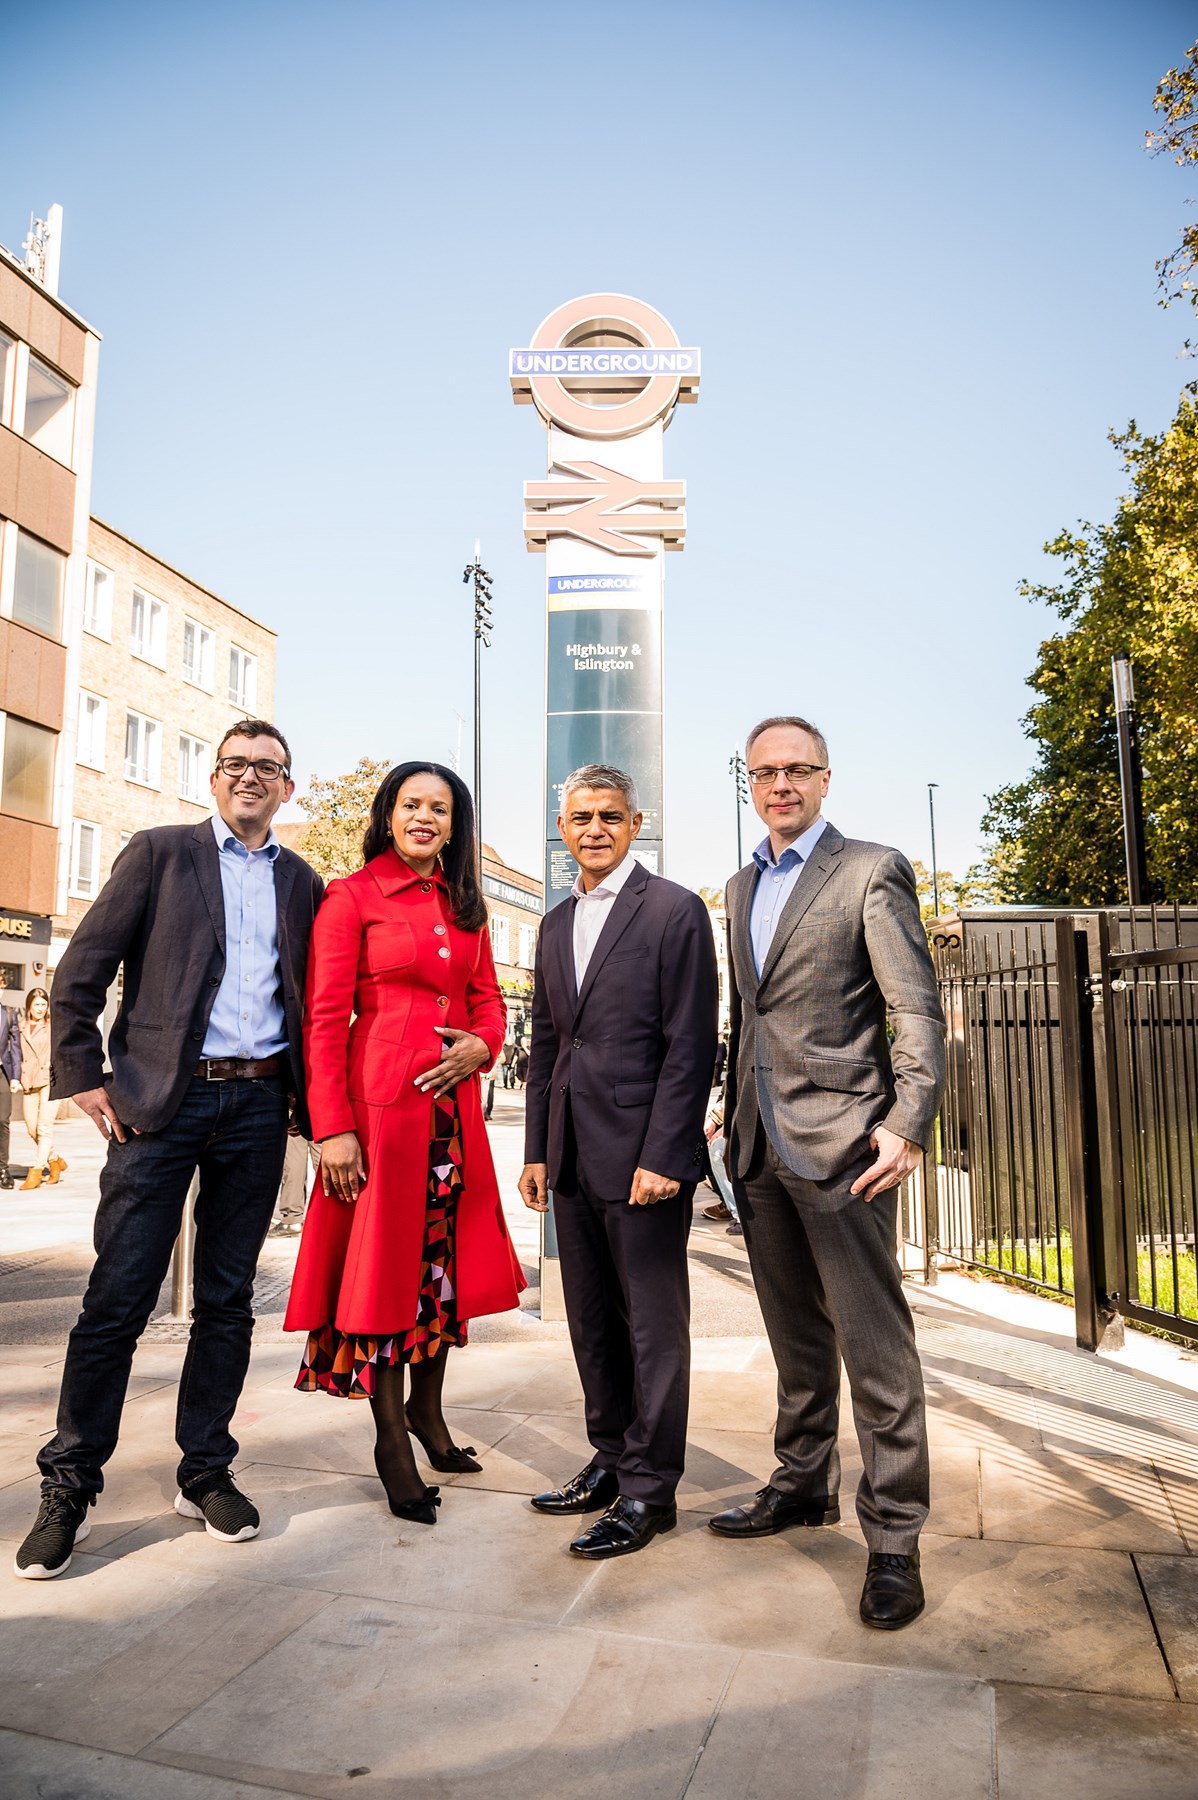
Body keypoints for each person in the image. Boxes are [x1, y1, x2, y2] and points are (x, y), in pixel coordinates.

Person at [13, 720, 323, 1581]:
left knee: (227, 1301)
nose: (250, 777)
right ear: (214, 780)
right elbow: (81, 971)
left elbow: (317, 1001)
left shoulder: (302, 882)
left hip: (259, 1107)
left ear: (287, 787)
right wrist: (81, 1074)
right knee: (118, 1299)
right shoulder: (159, 852)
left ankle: (205, 1470)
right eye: (236, 765)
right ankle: (69, 1484)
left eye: (268, 768)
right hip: (159, 1104)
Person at [711, 715, 945, 1631]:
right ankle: (803, 1482)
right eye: (764, 772)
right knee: (796, 1342)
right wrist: (729, 1111)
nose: (779, 785)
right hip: (758, 1148)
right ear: (750, 782)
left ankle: (893, 1540)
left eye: (796, 770)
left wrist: (909, 1121)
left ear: (825, 778)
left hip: (847, 1145)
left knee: (876, 1351)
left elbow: (913, 1008)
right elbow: (750, 1014)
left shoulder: (868, 869)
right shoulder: (738, 884)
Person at [285, 761, 525, 1526]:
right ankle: (391, 1438)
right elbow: (323, 1020)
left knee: (440, 1270)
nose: (426, 818)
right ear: (389, 814)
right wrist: (333, 1128)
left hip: (452, 1117)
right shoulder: (348, 897)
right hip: (378, 1116)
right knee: (386, 1273)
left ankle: (429, 1414)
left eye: (441, 809)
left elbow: (489, 1005)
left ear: (456, 825)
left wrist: (482, 1048)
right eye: (412, 805)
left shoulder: (467, 906)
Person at [519, 763, 718, 1559]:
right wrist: (536, 1149)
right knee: (593, 1323)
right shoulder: (553, 922)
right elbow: (543, 1045)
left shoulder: (674, 913)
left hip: (644, 1160)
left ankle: (649, 1489)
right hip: (570, 1155)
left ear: (637, 824)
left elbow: (689, 1044)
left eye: (610, 815)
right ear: (562, 829)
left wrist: (667, 1152)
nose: (594, 828)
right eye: (580, 817)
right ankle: (610, 1455)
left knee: (652, 1329)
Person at [17, 988, 63, 1190]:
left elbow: (61, 1051)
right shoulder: (20, 1027)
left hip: (49, 1081)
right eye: (36, 1004)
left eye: (43, 1005)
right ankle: (56, 1161)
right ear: (29, 1005)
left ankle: (36, 1172)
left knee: (44, 1128)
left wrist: (51, 1064)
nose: (40, 1008)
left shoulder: (53, 1027)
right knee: (31, 1129)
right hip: (28, 1081)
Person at [0, 971, 20, 1190]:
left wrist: (15, 1076)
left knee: (3, 1121)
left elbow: (14, 1047)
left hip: (1, 1074)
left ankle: (3, 1169)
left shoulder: (8, 1014)